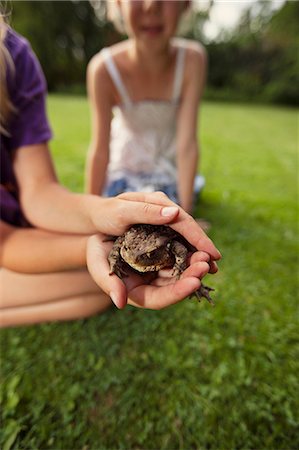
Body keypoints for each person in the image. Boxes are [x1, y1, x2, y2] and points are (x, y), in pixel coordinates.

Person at [0, 17, 221, 328]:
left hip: (20, 227)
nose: (150, 6)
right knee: (104, 284)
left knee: (104, 287)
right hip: (10, 240)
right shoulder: (104, 66)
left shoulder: (11, 54)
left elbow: (39, 191)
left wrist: (98, 215)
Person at [85, 0, 207, 219]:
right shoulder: (103, 69)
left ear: (186, 4)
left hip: (169, 174)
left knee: (166, 212)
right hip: (125, 172)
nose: (151, 6)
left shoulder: (192, 61)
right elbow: (100, 149)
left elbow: (187, 144)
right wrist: (90, 214)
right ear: (119, 4)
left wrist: (187, 213)